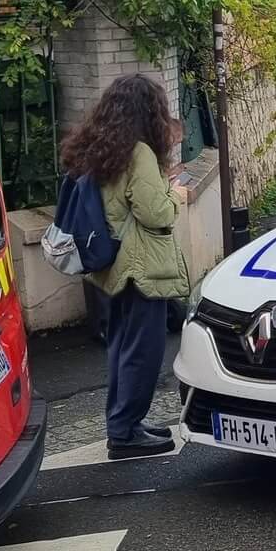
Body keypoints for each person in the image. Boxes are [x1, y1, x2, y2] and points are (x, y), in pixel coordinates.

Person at [61, 74, 190, 461]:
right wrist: (175, 192)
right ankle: (125, 431)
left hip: (113, 267)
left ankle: (125, 423)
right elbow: (156, 212)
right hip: (141, 268)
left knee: (122, 348)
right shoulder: (139, 154)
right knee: (143, 352)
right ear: (149, 112)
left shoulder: (98, 149)